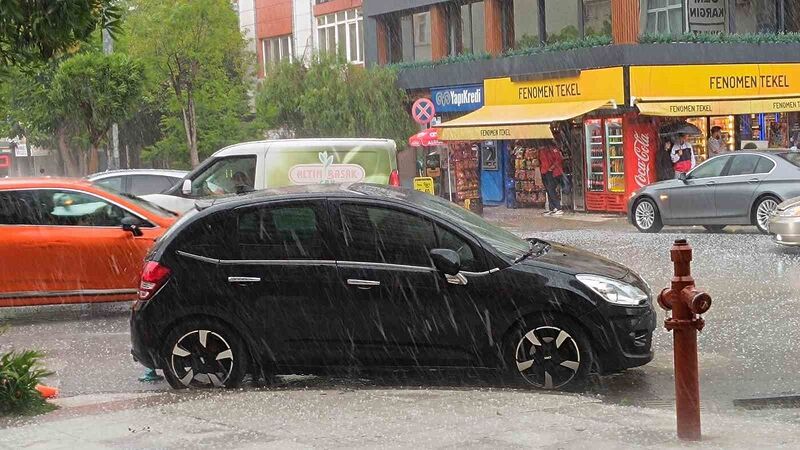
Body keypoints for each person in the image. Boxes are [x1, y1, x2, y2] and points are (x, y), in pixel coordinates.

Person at [539, 146, 564, 216]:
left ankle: (558, 207)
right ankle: (552, 208)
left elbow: (559, 159)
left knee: (551, 189)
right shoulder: (542, 150)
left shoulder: (552, 149)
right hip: (545, 172)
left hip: (551, 172)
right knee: (548, 190)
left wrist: (551, 168)